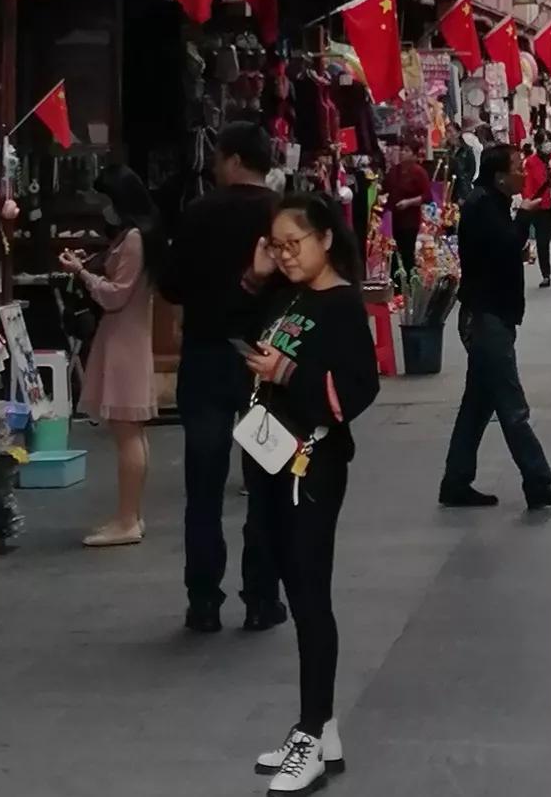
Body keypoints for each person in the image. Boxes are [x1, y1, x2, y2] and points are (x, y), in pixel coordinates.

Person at [246, 190, 381, 792]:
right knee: (294, 587)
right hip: (271, 459)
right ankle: (319, 730)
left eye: (292, 244)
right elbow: (227, 322)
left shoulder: (344, 304)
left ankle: (312, 731)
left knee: (310, 594)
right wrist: (255, 277)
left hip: (312, 465)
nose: (285, 255)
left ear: (325, 238)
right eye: (277, 247)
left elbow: (356, 389)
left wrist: (287, 373)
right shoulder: (288, 294)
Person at [158, 122, 287, 635]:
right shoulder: (281, 215)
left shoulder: (197, 213)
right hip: (266, 363)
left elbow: (170, 285)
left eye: (217, 157)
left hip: (207, 357)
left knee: (204, 487)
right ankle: (261, 598)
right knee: (266, 484)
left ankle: (203, 601)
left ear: (233, 160)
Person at [438, 145, 551, 512]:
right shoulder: (483, 205)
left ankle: (456, 480)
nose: (524, 173)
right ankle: (538, 481)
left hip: (493, 313)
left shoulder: (490, 203)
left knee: (477, 404)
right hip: (486, 317)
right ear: (500, 176)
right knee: (511, 404)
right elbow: (506, 244)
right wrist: (524, 217)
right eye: (518, 168)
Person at [63, 166, 160, 546]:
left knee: (126, 432)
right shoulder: (134, 236)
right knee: (129, 432)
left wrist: (82, 275)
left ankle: (127, 520)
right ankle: (129, 515)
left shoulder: (134, 238)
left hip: (124, 341)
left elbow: (116, 294)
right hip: (125, 338)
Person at [519, 135, 551, 288]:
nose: (548, 145)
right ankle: (546, 274)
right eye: (544, 142)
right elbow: (526, 184)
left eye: (549, 141)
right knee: (543, 241)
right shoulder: (530, 162)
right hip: (540, 205)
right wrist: (530, 201)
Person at [382, 142, 433, 271]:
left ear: (414, 155)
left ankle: (410, 283)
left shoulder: (419, 172)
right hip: (393, 220)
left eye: (406, 150)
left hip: (410, 220)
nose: (402, 153)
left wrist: (408, 202)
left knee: (407, 254)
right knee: (392, 254)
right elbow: (385, 188)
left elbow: (427, 196)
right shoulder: (394, 171)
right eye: (402, 150)